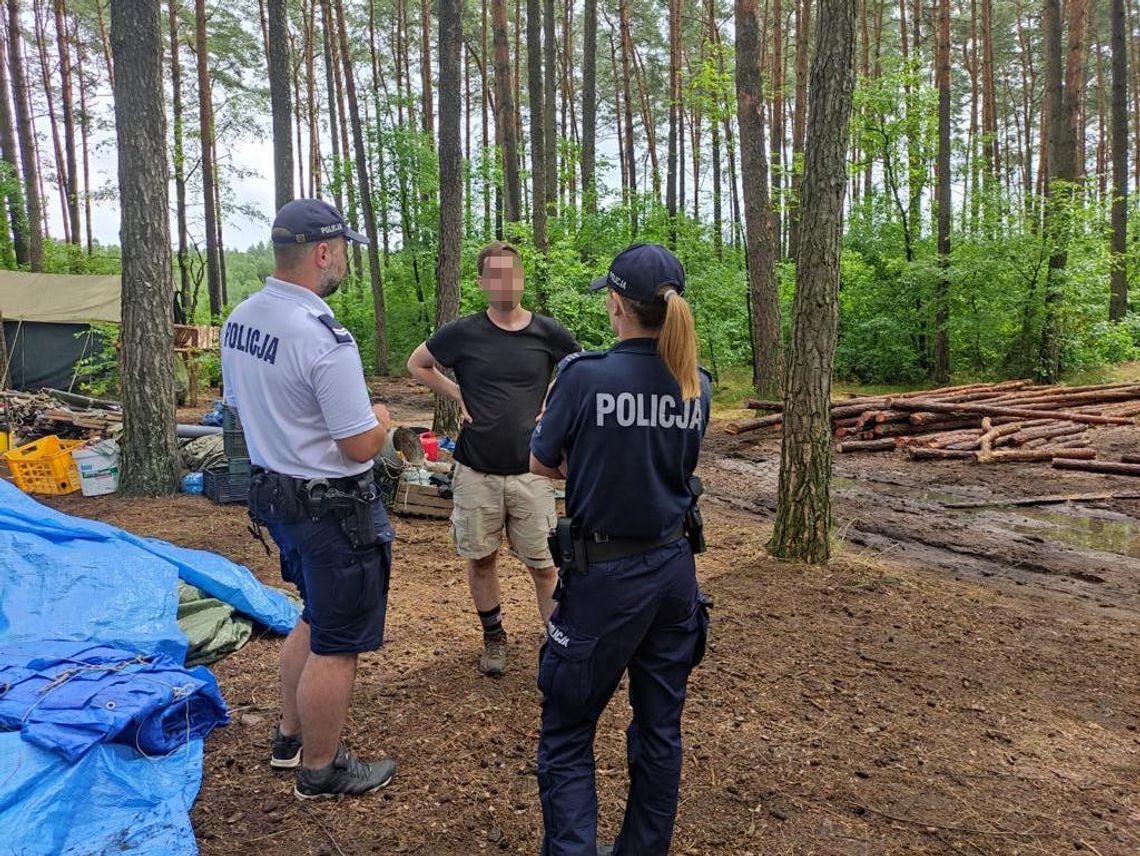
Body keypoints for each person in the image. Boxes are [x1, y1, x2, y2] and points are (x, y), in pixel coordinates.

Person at [529, 243, 712, 856]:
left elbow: (541, 460)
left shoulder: (584, 377)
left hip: (606, 582)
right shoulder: (697, 385)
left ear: (616, 304)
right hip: (673, 574)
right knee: (660, 729)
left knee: (568, 730)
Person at [221, 198, 398, 800]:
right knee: (339, 640)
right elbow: (358, 446)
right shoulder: (324, 338)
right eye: (343, 249)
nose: (344, 259)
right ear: (323, 253)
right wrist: (381, 419)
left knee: (314, 613)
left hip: (278, 498)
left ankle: (289, 736)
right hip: (333, 511)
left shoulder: (242, 319)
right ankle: (320, 770)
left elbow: (242, 409)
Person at [406, 241, 579, 677]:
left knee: (545, 565)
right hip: (476, 470)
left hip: (533, 471)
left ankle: (557, 645)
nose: (506, 281)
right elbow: (418, 364)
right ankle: (494, 637)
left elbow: (578, 367)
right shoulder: (463, 333)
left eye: (512, 272)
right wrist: (457, 393)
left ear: (521, 277)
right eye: (496, 274)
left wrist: (551, 403)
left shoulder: (547, 332)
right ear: (483, 282)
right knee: (481, 559)